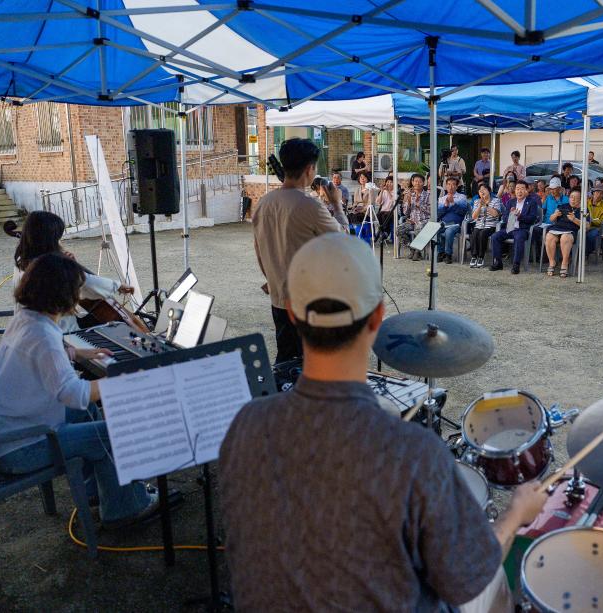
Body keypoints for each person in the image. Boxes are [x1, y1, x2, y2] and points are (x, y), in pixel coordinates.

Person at [218, 233, 550, 612]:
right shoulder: (412, 452)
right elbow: (466, 579)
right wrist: (515, 515)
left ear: (292, 313)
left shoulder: (245, 426)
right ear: (378, 317)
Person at [0, 253, 166, 529]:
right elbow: (73, 392)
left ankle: (97, 489)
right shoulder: (43, 334)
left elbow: (42, 357)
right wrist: (123, 379)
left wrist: (77, 353)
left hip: (5, 434)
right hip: (19, 449)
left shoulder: (27, 319)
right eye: (77, 290)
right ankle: (124, 508)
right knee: (112, 431)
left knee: (88, 412)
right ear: (62, 294)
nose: (80, 295)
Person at [253, 138, 343, 364]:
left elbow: (259, 250)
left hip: (278, 298)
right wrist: (338, 205)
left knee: (286, 360)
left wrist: (272, 280)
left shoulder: (264, 203)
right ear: (310, 168)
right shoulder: (310, 205)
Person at [12, 210, 135, 332]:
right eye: (57, 238)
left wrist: (69, 265)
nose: (60, 242)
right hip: (58, 331)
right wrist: (117, 286)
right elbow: (84, 283)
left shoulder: (21, 260)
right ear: (49, 239)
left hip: (27, 327)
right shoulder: (49, 265)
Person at [489, 179, 538, 275]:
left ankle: (516, 264)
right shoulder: (511, 202)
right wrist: (512, 215)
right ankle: (498, 262)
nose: (519, 191)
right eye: (517, 189)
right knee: (495, 236)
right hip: (511, 228)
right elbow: (505, 218)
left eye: (522, 189)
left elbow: (532, 219)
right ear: (514, 190)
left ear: (526, 191)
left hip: (523, 229)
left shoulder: (531, 202)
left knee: (519, 237)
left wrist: (520, 216)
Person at [544, 189, 584, 278]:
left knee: (565, 237)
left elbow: (587, 226)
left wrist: (574, 219)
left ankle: (565, 263)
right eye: (571, 197)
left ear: (580, 200)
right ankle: (552, 262)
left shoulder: (583, 209)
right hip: (558, 228)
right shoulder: (562, 206)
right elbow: (551, 219)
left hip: (571, 230)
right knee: (549, 236)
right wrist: (555, 215)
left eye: (576, 198)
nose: (573, 199)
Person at [397, 173, 430, 261]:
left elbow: (431, 211)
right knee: (399, 229)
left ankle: (417, 251)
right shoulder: (410, 195)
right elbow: (405, 213)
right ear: (412, 182)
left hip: (424, 220)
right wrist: (408, 202)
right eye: (415, 181)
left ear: (423, 183)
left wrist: (420, 206)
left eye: (420, 181)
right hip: (411, 221)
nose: (417, 183)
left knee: (419, 227)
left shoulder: (428, 195)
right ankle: (412, 248)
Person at [435, 177, 469, 263]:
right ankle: (440, 252)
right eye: (449, 184)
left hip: (456, 224)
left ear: (457, 186)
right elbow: (438, 215)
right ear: (446, 186)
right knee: (435, 229)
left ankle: (448, 254)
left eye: (453, 184)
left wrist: (453, 203)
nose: (451, 186)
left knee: (449, 231)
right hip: (444, 223)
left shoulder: (462, 197)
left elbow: (462, 212)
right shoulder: (442, 199)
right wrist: (445, 206)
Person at [469, 183, 502, 268]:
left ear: (489, 191)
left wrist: (486, 205)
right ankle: (474, 256)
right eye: (480, 191)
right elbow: (473, 217)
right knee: (474, 234)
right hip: (479, 225)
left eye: (484, 189)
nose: (482, 192)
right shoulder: (477, 202)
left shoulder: (496, 201)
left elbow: (495, 214)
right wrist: (480, 206)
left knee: (482, 233)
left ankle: (480, 257)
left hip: (491, 226)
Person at [587, 185, 603, 255]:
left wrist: (591, 222)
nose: (599, 195)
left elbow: (602, 221)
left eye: (601, 193)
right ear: (593, 192)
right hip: (582, 225)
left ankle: (586, 253)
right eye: (597, 192)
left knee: (591, 235)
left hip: (596, 227)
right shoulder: (585, 202)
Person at [375, 175, 397, 240]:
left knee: (385, 215)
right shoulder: (383, 191)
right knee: (379, 215)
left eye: (391, 182)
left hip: (393, 212)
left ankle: (386, 232)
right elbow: (378, 202)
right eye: (388, 182)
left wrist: (387, 191)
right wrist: (381, 191)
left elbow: (393, 202)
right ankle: (382, 232)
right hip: (383, 211)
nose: (389, 184)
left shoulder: (395, 192)